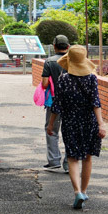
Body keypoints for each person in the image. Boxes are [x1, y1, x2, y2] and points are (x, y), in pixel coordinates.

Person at [47, 44, 107, 209]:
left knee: (73, 158)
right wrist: (101, 124)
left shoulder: (64, 79)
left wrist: (51, 125)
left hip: (70, 122)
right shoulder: (91, 79)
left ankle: (77, 192)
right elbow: (96, 103)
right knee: (87, 157)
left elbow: (57, 105)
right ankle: (85, 190)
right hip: (89, 121)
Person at [41, 35, 70, 173]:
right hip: (71, 102)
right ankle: (69, 164)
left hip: (54, 101)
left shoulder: (49, 61)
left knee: (51, 129)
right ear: (68, 47)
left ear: (54, 46)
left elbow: (45, 83)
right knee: (70, 131)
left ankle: (53, 160)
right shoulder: (73, 60)